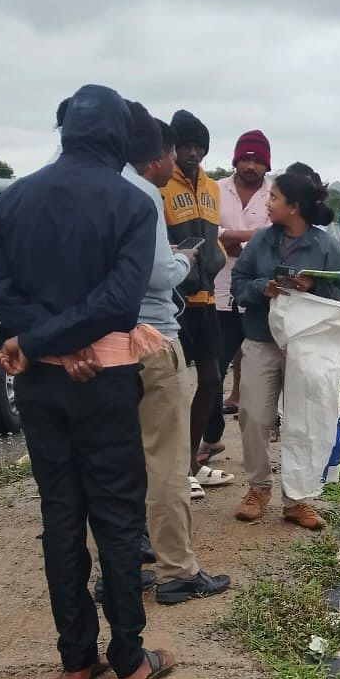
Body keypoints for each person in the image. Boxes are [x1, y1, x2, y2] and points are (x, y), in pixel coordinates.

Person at [0, 85, 174, 679]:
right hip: (105, 379)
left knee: (60, 514)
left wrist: (36, 343)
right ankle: (131, 660)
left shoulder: (15, 198)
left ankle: (75, 657)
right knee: (116, 516)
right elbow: (118, 304)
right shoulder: (132, 204)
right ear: (119, 138)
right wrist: (61, 342)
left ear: (66, 132)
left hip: (37, 383)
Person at [124, 114, 231, 606]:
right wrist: (184, 261)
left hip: (99, 345)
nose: (183, 158)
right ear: (158, 154)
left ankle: (119, 566)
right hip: (153, 333)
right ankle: (175, 573)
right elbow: (157, 272)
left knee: (116, 459)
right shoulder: (144, 193)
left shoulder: (48, 191)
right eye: (176, 149)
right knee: (164, 462)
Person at [231, 169, 340, 530]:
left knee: (304, 420)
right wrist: (262, 288)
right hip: (261, 338)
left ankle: (297, 500)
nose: (267, 203)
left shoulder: (326, 246)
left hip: (305, 346)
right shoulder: (260, 242)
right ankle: (258, 488)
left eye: (273, 198)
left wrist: (312, 286)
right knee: (252, 415)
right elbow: (238, 284)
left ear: (294, 207)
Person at [162, 110, 232, 496]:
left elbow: (212, 235)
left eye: (198, 146)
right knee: (171, 387)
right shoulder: (160, 187)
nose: (192, 153)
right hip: (172, 301)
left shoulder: (212, 187)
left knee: (211, 379)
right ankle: (173, 471)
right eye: (184, 146)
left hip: (206, 298)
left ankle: (191, 463)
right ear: (172, 148)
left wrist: (216, 258)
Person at [199, 129, 273, 463]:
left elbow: (276, 238)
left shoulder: (277, 194)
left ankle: (260, 445)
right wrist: (249, 236)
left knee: (264, 373)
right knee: (212, 370)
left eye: (258, 160)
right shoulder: (214, 190)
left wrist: (232, 241)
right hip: (217, 292)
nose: (251, 165)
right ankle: (212, 438)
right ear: (236, 159)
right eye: (246, 158)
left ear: (266, 164)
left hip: (261, 297)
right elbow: (204, 232)